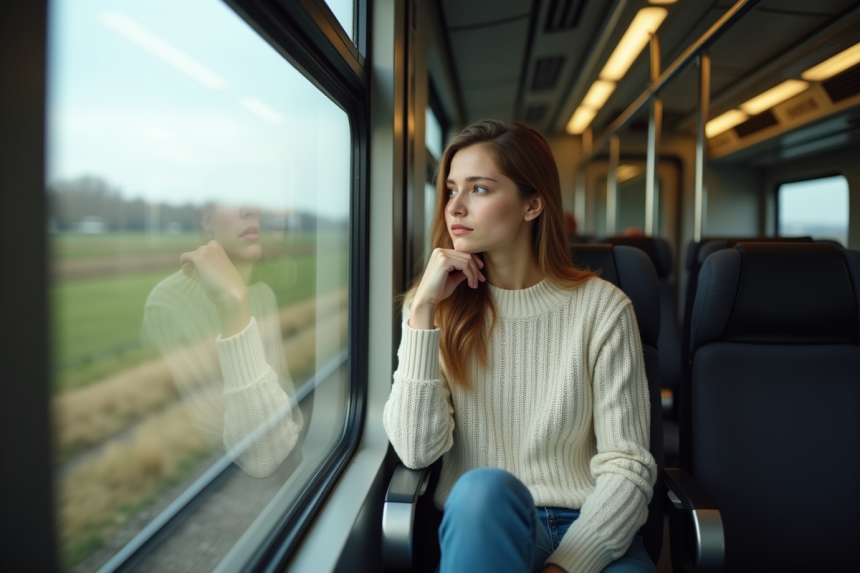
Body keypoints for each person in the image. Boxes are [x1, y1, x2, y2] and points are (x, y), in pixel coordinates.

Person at [383, 120, 656, 573]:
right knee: (482, 489)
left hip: (593, 535)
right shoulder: (434, 310)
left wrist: (566, 565)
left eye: (480, 189)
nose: (456, 207)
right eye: (451, 190)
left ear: (532, 204)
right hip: (485, 528)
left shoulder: (604, 309)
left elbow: (627, 465)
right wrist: (423, 312)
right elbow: (416, 450)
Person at [143, 203, 303, 478]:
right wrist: (233, 308)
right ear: (206, 221)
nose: (251, 209)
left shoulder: (263, 295)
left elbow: (285, 425)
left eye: (257, 198)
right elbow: (260, 451)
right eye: (233, 198)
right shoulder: (167, 303)